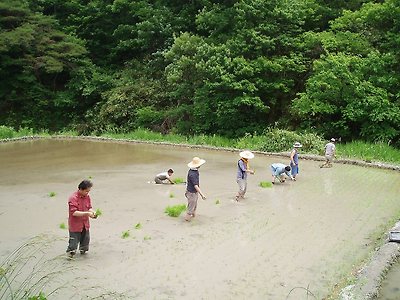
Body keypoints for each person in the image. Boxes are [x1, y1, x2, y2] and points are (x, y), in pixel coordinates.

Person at [66, 180, 97, 258]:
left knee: (85, 243)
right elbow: (74, 212)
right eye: (86, 191)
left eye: (88, 191)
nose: (88, 193)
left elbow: (89, 207)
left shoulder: (87, 197)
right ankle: (70, 256)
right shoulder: (73, 198)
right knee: (73, 244)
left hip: (85, 224)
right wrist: (87, 213)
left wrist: (93, 213)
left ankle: (83, 255)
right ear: (81, 189)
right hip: (75, 225)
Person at [184, 157, 206, 222]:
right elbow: (195, 185)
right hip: (192, 193)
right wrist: (202, 195)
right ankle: (186, 221)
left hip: (192, 192)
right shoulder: (193, 174)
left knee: (194, 206)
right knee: (190, 209)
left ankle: (193, 219)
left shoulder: (193, 170)